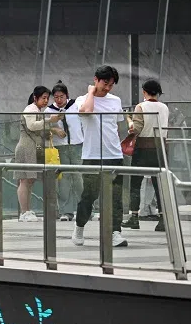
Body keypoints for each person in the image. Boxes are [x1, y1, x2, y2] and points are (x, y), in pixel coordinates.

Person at [72, 65, 128, 248]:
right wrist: (90, 92)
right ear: (96, 79)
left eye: (111, 84)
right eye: (105, 83)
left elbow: (117, 125)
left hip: (114, 154)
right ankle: (79, 226)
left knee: (115, 196)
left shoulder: (115, 101)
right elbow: (86, 112)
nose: (108, 88)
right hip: (92, 155)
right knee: (89, 194)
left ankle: (115, 232)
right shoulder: (83, 100)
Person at [122, 79, 169, 232]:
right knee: (159, 185)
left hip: (143, 149)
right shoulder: (165, 108)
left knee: (135, 183)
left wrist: (129, 119)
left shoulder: (140, 106)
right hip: (161, 149)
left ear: (144, 92)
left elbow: (135, 129)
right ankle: (163, 219)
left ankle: (134, 217)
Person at [15, 86, 65, 222]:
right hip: (26, 147)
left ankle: (26, 210)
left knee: (29, 180)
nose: (46, 101)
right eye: (43, 98)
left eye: (47, 98)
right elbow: (32, 126)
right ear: (35, 98)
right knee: (25, 180)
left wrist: (52, 128)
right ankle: (24, 212)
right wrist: (50, 120)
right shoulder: (31, 109)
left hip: (33, 147)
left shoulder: (36, 110)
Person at [48, 82, 84, 221]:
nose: (58, 100)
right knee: (64, 180)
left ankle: (84, 208)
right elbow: (43, 127)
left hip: (76, 145)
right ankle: (66, 211)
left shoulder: (75, 106)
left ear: (67, 95)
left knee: (79, 177)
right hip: (60, 147)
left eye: (61, 96)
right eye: (56, 97)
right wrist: (55, 129)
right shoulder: (50, 111)